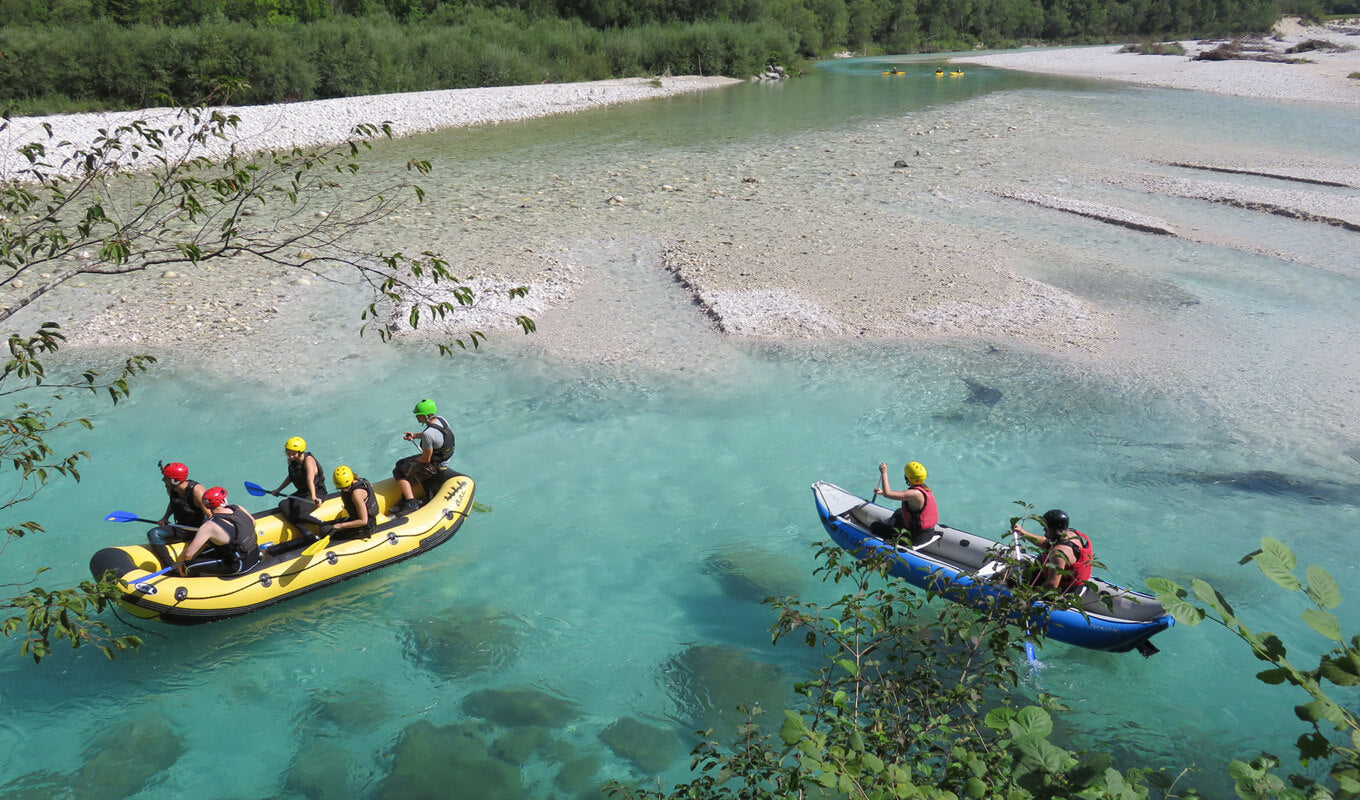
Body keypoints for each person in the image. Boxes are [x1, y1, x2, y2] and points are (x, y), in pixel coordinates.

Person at [176, 486, 261, 577]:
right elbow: (253, 523)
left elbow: (189, 554)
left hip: (240, 565)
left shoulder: (208, 526)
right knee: (211, 550)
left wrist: (181, 564)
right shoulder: (238, 508)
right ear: (223, 501)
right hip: (254, 554)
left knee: (188, 566)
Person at [391, 398, 455, 516]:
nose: (417, 417)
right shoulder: (442, 420)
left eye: (419, 415)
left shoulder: (427, 434)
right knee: (403, 463)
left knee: (398, 469)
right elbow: (435, 436)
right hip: (444, 459)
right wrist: (414, 436)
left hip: (436, 465)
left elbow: (426, 459)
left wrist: (412, 462)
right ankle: (406, 497)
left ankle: (411, 503)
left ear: (428, 415)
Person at [1012, 509, 1092, 593]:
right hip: (1073, 580)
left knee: (1013, 583)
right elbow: (1046, 543)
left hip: (1066, 589)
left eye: (1047, 528)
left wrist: (1027, 594)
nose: (1044, 530)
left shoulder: (1058, 553)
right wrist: (1022, 532)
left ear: (1058, 531)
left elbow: (1052, 584)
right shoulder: (1071, 534)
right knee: (1041, 558)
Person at [148, 461, 209, 568]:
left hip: (199, 530)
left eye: (165, 478)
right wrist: (165, 517)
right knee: (153, 534)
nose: (163, 480)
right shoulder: (172, 489)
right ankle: (172, 567)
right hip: (181, 527)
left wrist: (208, 533)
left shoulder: (197, 491)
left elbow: (211, 515)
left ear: (174, 480)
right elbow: (174, 502)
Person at [870, 461, 938, 543]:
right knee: (899, 511)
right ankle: (892, 529)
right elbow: (901, 494)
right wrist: (882, 492)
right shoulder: (925, 489)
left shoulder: (914, 493)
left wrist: (884, 472)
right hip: (928, 532)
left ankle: (891, 537)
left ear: (907, 477)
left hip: (915, 537)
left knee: (874, 526)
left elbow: (888, 494)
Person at [323, 465, 379, 541]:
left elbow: (363, 521)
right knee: (324, 526)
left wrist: (342, 525)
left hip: (365, 528)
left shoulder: (357, 495)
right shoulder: (356, 480)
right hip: (355, 519)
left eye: (346, 487)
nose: (344, 490)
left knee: (325, 531)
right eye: (341, 488)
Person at [273, 436, 326, 506]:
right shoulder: (291, 460)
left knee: (299, 511)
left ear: (300, 452)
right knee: (282, 505)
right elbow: (291, 477)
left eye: (294, 454)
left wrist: (313, 497)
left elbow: (310, 480)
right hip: (302, 493)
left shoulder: (308, 460)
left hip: (316, 493)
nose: (291, 456)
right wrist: (279, 489)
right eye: (288, 453)